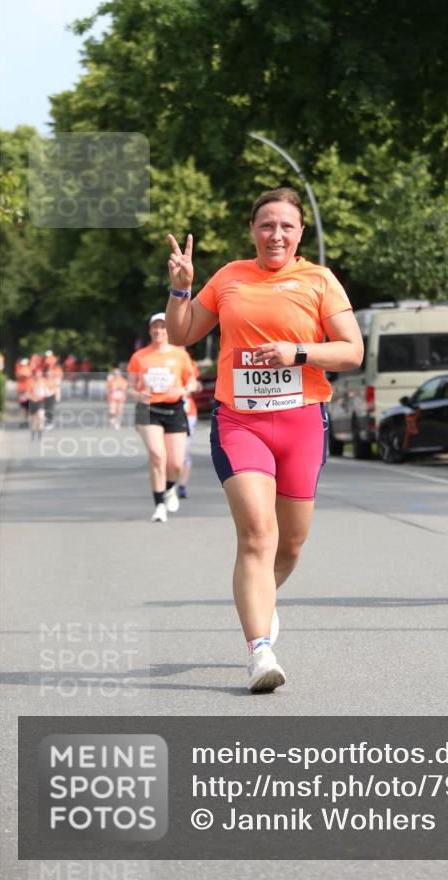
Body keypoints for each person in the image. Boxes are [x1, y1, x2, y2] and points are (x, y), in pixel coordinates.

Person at [165, 186, 364, 693]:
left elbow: (351, 352)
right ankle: (259, 651)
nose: (276, 234)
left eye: (287, 226)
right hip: (241, 422)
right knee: (257, 534)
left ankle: (262, 603)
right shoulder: (229, 277)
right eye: (267, 225)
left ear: (300, 233)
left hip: (301, 422)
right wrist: (181, 289)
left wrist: (298, 352)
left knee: (290, 546)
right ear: (253, 230)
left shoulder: (318, 279)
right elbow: (183, 333)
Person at [127, 314, 195, 523]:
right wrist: (138, 395)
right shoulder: (139, 356)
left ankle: (170, 488)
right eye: (155, 327)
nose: (159, 331)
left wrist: (183, 389)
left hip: (174, 408)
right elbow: (129, 387)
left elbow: (192, 382)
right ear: (150, 331)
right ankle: (159, 506)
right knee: (157, 456)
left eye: (163, 327)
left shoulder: (180, 355)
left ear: (169, 330)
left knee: (175, 463)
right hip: (147, 408)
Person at [178, 358, 201, 499]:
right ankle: (165, 487)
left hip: (188, 413)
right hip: (162, 411)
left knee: (184, 451)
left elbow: (197, 386)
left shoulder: (190, 362)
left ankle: (182, 485)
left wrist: (191, 388)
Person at [16, 358, 31, 428]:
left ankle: (25, 421)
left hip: (27, 391)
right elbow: (20, 377)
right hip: (22, 391)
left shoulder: (28, 369)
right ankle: (23, 421)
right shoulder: (20, 369)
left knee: (26, 408)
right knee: (23, 407)